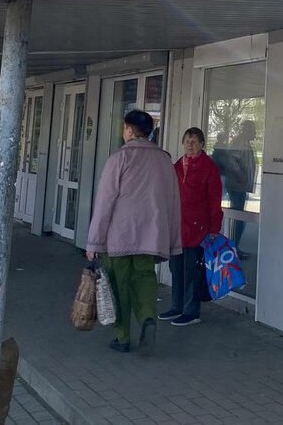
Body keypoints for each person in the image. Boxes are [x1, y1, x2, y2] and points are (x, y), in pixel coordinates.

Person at [86, 110, 181, 354]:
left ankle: (122, 337)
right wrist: (172, 240)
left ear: (129, 130)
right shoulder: (164, 160)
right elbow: (173, 201)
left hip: (119, 235)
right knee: (145, 279)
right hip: (151, 235)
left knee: (119, 285)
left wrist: (94, 242)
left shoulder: (119, 158)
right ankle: (148, 316)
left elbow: (105, 202)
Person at [160, 127, 222, 327]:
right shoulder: (178, 165)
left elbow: (214, 200)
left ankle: (191, 311)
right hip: (178, 228)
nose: (190, 144)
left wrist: (214, 228)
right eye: (187, 140)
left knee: (192, 271)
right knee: (176, 268)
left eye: (194, 141)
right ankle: (177, 306)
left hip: (198, 229)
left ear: (203, 144)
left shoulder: (208, 167)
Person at [220, 121, 257, 251]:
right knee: (237, 218)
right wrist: (240, 175)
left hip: (241, 186)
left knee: (239, 218)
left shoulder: (244, 143)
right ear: (246, 130)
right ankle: (232, 248)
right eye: (253, 129)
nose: (255, 133)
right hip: (237, 186)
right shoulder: (239, 142)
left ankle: (234, 246)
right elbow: (231, 160)